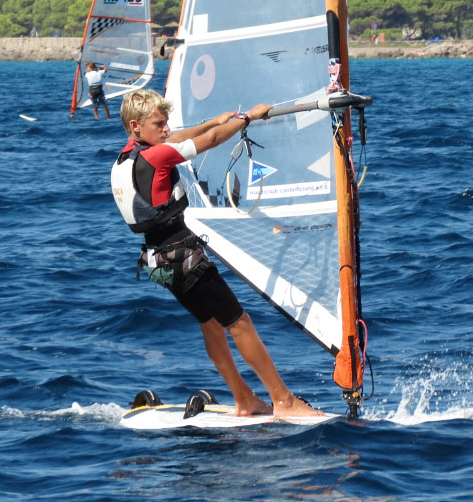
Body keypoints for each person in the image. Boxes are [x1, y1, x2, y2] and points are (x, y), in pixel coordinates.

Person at [111, 89, 321, 418]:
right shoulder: (157, 157)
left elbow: (180, 137)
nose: (166, 129)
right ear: (136, 126)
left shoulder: (126, 159)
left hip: (157, 260)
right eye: (159, 124)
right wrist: (247, 117)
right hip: (183, 254)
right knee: (240, 323)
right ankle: (283, 400)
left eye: (166, 123)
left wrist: (213, 121)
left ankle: (244, 399)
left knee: (211, 324)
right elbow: (208, 143)